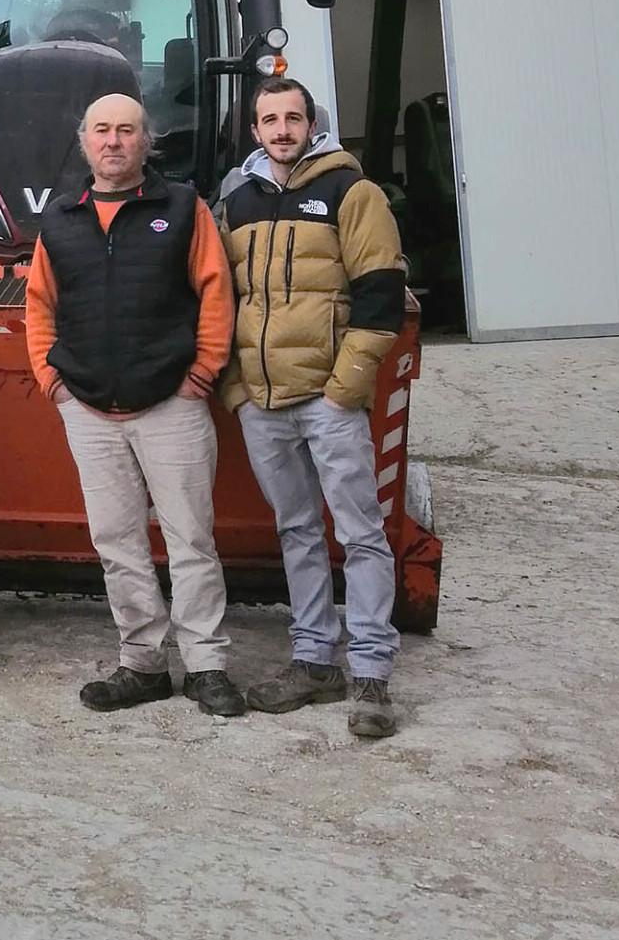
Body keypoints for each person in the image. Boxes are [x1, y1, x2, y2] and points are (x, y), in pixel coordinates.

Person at [26, 92, 245, 719]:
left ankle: (207, 666)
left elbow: (215, 289)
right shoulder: (62, 218)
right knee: (117, 541)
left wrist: (202, 372)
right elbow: (39, 307)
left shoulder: (182, 207)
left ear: (147, 142)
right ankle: (143, 664)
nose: (114, 141)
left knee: (191, 540)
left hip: (171, 405)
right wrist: (53, 381)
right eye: (102, 131)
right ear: (84, 141)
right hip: (90, 410)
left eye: (127, 131)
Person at [218, 76, 406, 740]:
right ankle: (313, 661)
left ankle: (372, 674)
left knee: (360, 533)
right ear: (255, 130)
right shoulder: (236, 201)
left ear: (311, 123)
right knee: (297, 531)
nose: (281, 130)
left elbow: (382, 293)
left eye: (292, 118)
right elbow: (222, 299)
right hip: (262, 402)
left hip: (327, 399)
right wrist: (237, 389)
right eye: (269, 119)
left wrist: (345, 387)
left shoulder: (352, 194)